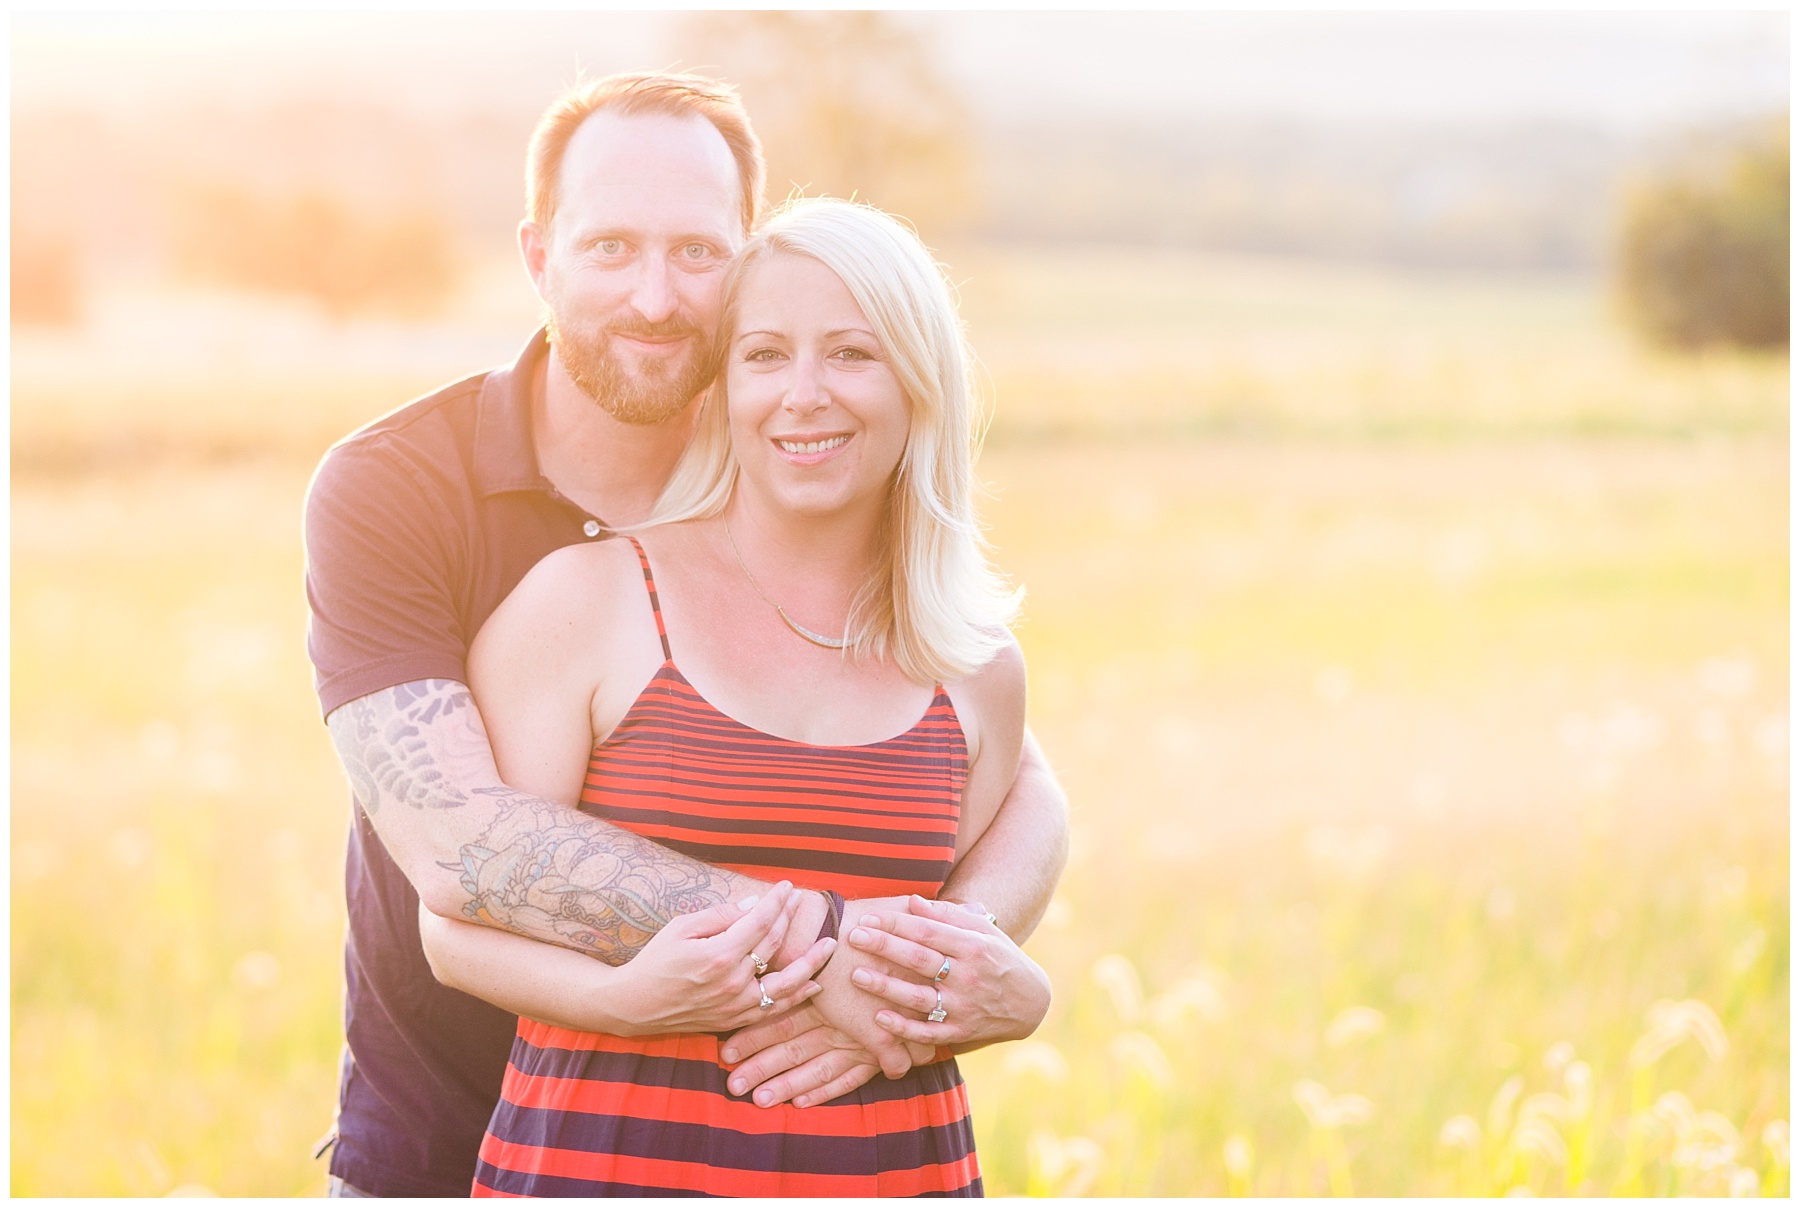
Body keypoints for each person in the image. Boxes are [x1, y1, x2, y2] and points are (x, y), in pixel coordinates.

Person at [303, 72, 1068, 1198]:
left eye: (698, 252)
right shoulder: (400, 491)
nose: (655, 297)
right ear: (539, 257)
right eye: (610, 247)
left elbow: (1007, 768)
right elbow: (462, 845)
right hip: (451, 1124)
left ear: (744, 261)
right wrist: (835, 956)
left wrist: (938, 978)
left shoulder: (795, 434)